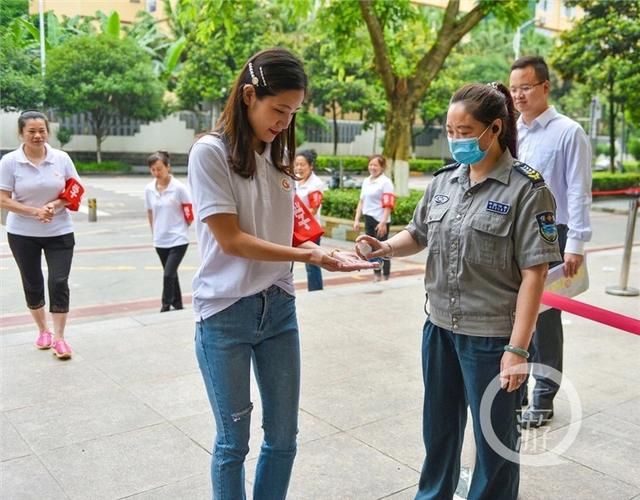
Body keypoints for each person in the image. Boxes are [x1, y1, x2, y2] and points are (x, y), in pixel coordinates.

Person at [355, 82, 561, 500]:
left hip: (492, 340)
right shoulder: (444, 182)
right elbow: (416, 233)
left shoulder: (528, 190)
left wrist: (518, 350)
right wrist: (384, 248)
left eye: (465, 131)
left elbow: (534, 276)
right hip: (440, 330)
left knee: (494, 447)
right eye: (450, 131)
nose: (455, 140)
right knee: (440, 432)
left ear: (495, 128)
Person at [187, 48, 374, 500]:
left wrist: (323, 251)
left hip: (278, 309)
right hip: (225, 313)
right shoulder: (209, 154)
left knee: (283, 438)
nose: (285, 123)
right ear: (249, 95)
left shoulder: (278, 157)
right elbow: (232, 240)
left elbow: (287, 228)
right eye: (279, 110)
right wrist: (307, 258)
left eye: (292, 113)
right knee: (233, 444)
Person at [509, 56, 592, 428]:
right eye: (513, 89)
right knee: (514, 314)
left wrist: (576, 242)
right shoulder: (512, 130)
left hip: (551, 233)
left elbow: (578, 190)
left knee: (544, 319)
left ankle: (544, 397)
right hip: (512, 231)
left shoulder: (568, 132)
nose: (518, 96)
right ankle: (517, 390)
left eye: (525, 88)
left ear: (545, 87)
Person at [0, 111, 84, 360]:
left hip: (59, 230)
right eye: (31, 131)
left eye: (42, 131)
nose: (37, 136)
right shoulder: (10, 162)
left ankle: (59, 337)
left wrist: (54, 206)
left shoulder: (61, 158)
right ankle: (42, 331)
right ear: (21, 133)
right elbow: (2, 199)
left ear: (48, 132)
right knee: (32, 281)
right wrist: (33, 211)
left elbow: (75, 188)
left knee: (59, 282)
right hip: (22, 233)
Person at [144, 151, 193, 312]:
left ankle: (165, 305)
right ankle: (178, 304)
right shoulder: (149, 189)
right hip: (160, 239)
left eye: (159, 168)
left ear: (168, 167)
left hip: (178, 239)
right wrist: (154, 231)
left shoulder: (179, 188)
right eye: (153, 170)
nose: (157, 173)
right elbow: (150, 212)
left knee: (168, 274)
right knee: (171, 274)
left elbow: (189, 211)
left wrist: (182, 226)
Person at [352, 154, 395, 281]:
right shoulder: (366, 181)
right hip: (368, 219)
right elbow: (361, 201)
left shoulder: (386, 182)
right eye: (370, 164)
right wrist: (356, 219)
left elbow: (388, 204)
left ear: (382, 167)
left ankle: (386, 275)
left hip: (380, 220)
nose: (372, 167)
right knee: (369, 249)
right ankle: (376, 274)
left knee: (383, 249)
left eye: (375, 165)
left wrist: (383, 222)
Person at [294, 149, 326, 291]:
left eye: (302, 165)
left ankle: (316, 291)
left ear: (311, 166)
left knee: (313, 264)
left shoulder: (315, 185)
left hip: (309, 230)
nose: (299, 168)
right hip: (296, 229)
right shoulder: (294, 180)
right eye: (297, 164)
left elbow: (314, 209)